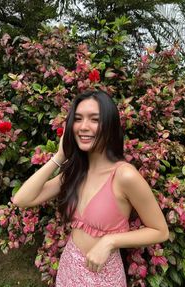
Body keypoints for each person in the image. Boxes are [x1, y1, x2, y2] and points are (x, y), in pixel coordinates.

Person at [13, 90, 169, 286]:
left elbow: (160, 231)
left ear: (110, 126)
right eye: (77, 119)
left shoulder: (124, 176)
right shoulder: (76, 172)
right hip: (69, 266)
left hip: (103, 276)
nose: (83, 127)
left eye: (94, 119)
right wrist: (60, 157)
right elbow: (22, 199)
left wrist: (109, 241)